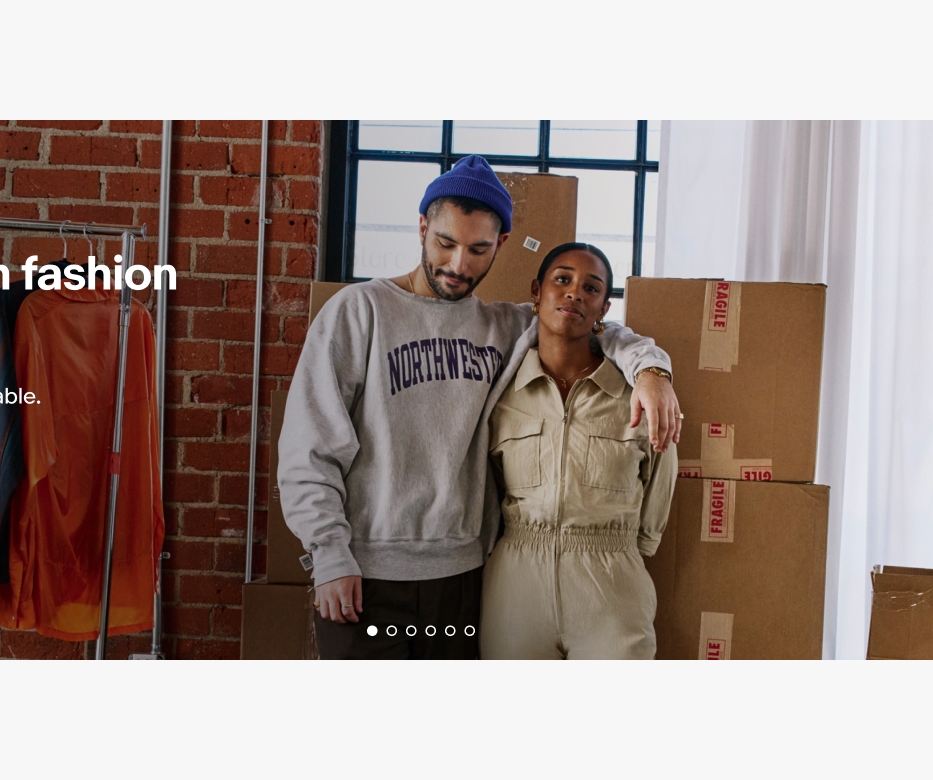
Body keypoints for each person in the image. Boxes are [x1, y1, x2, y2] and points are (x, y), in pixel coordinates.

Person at [279, 155, 683, 659]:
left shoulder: (505, 328)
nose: (458, 265)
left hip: (463, 580)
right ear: (422, 227)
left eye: (477, 250)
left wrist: (652, 372)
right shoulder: (359, 311)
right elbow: (310, 446)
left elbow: (590, 323)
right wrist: (328, 555)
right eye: (445, 243)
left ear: (501, 245)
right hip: (364, 576)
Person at [479, 243, 677, 660]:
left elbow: (660, 477)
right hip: (515, 586)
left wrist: (627, 548)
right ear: (537, 292)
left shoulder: (637, 398)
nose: (574, 293)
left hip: (612, 587)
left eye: (591, 287)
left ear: (604, 308)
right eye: (562, 279)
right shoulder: (502, 396)